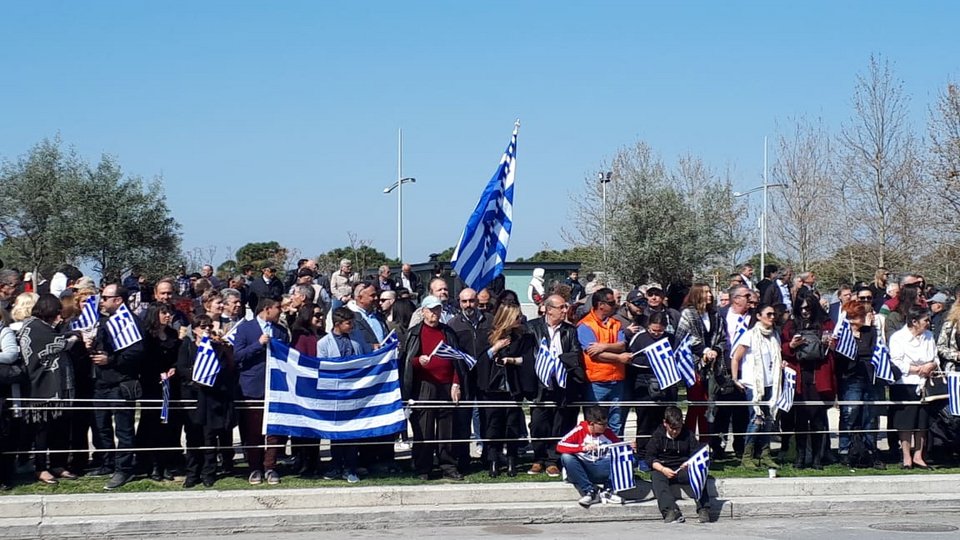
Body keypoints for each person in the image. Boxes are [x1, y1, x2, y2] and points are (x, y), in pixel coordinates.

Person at [401, 295, 466, 480]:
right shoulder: (414, 333)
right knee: (424, 427)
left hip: (446, 385)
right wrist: (417, 361)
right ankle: (423, 467)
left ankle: (448, 465)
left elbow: (456, 360)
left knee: (447, 428)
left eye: (437, 310)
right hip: (424, 386)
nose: (435, 314)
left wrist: (456, 382)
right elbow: (405, 361)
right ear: (423, 312)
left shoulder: (448, 332)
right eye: (431, 310)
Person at [19, 294, 77, 484]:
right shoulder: (35, 327)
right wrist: (75, 337)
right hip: (41, 388)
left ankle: (58, 464)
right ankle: (41, 468)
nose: (59, 317)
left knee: (59, 428)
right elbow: (58, 344)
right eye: (56, 312)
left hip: (56, 389)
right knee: (41, 431)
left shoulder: (41, 327)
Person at [526, 294, 585, 477]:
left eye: (565, 307)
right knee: (538, 423)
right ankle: (538, 458)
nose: (565, 310)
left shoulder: (570, 330)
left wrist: (559, 362)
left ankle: (553, 460)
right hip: (540, 384)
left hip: (561, 382)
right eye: (562, 307)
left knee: (559, 423)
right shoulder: (532, 327)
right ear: (549, 309)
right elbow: (529, 354)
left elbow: (575, 353)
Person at [232, 298, 290, 485]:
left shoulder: (281, 331)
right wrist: (258, 344)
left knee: (274, 431)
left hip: (275, 387)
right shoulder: (245, 328)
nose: (281, 311)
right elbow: (237, 356)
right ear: (267, 309)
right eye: (278, 308)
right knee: (253, 431)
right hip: (252, 387)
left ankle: (270, 466)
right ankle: (254, 467)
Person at [178, 315, 235, 488]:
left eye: (210, 326)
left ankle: (208, 472)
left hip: (211, 398)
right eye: (203, 326)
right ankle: (192, 473)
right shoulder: (187, 346)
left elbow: (226, 369)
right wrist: (196, 375)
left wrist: (224, 350)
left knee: (209, 437)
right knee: (193, 437)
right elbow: (181, 367)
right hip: (193, 396)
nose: (207, 329)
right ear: (194, 330)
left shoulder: (217, 348)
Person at [780, 296, 836, 469]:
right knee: (801, 420)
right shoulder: (791, 325)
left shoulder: (826, 323)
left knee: (819, 419)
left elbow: (834, 347)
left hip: (819, 375)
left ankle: (818, 459)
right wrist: (792, 345)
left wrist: (829, 344)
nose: (805, 311)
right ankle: (800, 456)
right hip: (799, 377)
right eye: (802, 308)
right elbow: (782, 349)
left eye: (808, 308)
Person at [317, 307, 371, 483]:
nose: (352, 326)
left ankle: (351, 466)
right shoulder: (323, 344)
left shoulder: (357, 338)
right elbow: (322, 368)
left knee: (352, 433)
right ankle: (336, 465)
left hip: (355, 393)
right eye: (349, 323)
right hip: (336, 394)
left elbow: (367, 355)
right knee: (336, 433)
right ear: (338, 324)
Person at [478, 303, 532, 477]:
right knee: (493, 425)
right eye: (517, 316)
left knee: (512, 426)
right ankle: (493, 461)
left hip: (512, 388)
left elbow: (528, 360)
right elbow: (479, 361)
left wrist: (512, 360)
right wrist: (496, 348)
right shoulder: (487, 335)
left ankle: (511, 461)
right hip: (492, 389)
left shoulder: (522, 337)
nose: (520, 319)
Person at [832, 299, 884, 467]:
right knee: (850, 413)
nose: (862, 318)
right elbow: (840, 358)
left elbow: (875, 352)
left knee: (870, 416)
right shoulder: (842, 335)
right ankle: (845, 451)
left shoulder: (870, 332)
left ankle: (870, 451)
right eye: (858, 315)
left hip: (869, 378)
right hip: (850, 379)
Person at [730, 303, 783, 469]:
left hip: (770, 384)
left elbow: (774, 358)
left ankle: (764, 454)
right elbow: (736, 357)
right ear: (759, 316)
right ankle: (747, 455)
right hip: (754, 385)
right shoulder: (750, 335)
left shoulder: (774, 336)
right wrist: (735, 378)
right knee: (756, 419)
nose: (772, 317)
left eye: (773, 314)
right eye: (768, 314)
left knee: (768, 420)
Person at [447, 287, 493, 471]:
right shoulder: (453, 324)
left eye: (472, 301)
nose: (468, 305)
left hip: (485, 376)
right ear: (459, 303)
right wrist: (456, 381)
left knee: (486, 417)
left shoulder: (489, 321)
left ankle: (488, 457)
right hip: (464, 376)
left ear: (477, 301)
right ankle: (462, 459)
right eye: (464, 301)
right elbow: (451, 354)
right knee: (462, 418)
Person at [625, 311, 677, 471]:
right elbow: (632, 358)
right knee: (645, 423)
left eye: (659, 331)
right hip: (643, 385)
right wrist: (653, 360)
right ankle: (642, 455)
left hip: (665, 385)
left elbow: (676, 357)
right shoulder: (640, 338)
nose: (656, 334)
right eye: (653, 330)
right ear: (648, 326)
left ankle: (660, 455)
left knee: (663, 422)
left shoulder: (671, 338)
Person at [136, 302, 182, 482]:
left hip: (170, 385)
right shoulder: (147, 336)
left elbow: (177, 357)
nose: (167, 316)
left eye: (169, 313)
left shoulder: (172, 334)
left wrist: (174, 369)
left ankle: (167, 463)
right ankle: (152, 464)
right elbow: (144, 361)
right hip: (152, 385)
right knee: (152, 425)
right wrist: (158, 373)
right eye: (164, 313)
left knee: (168, 427)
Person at [577, 288, 631, 436]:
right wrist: (619, 358)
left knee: (616, 421)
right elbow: (593, 355)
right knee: (595, 422)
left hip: (617, 380)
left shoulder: (616, 323)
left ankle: (614, 453)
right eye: (611, 302)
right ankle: (595, 453)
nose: (615, 305)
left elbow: (622, 345)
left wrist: (603, 346)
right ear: (601, 305)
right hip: (596, 382)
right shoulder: (585, 325)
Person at [888, 308, 938, 469]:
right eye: (925, 321)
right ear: (914, 322)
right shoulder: (898, 337)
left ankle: (918, 455)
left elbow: (935, 357)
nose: (928, 324)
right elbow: (896, 361)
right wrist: (917, 369)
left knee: (922, 421)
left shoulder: (929, 336)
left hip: (925, 383)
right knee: (905, 423)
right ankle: (906, 457)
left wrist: (931, 365)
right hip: (905, 383)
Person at [647, 406, 712, 524]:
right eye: (672, 428)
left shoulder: (688, 434)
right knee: (657, 478)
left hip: (683, 467)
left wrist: (689, 463)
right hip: (663, 467)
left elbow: (697, 453)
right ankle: (670, 510)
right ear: (665, 423)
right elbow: (650, 457)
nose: (675, 431)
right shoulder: (657, 435)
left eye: (678, 428)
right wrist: (662, 469)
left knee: (700, 473)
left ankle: (703, 508)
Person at [676, 283, 723, 444]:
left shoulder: (715, 315)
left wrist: (715, 349)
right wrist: (703, 351)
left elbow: (721, 337)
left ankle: (705, 443)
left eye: (710, 292)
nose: (709, 295)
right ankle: (688, 442)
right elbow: (683, 339)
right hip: (693, 366)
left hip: (712, 365)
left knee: (708, 406)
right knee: (696, 405)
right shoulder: (688, 314)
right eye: (705, 292)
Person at [556, 406, 625, 508]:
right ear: (591, 424)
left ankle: (608, 491)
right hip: (583, 469)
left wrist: (628, 447)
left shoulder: (608, 432)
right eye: (602, 424)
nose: (605, 426)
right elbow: (560, 446)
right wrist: (583, 448)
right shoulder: (579, 430)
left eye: (606, 423)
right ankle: (590, 492)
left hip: (602, 467)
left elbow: (619, 447)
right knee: (566, 457)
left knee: (626, 458)